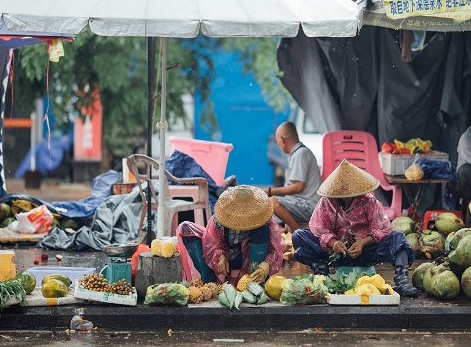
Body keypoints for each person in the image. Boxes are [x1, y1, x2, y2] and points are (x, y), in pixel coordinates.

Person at [291, 160, 419, 297]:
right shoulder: (326, 202)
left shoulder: (369, 201)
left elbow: (382, 228)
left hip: (365, 252)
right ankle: (322, 275)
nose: (346, 197)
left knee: (398, 237)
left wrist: (362, 243)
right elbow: (318, 228)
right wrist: (332, 242)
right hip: (334, 254)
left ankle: (402, 281)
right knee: (299, 235)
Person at [177, 185, 285, 286]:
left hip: (251, 258)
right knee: (185, 227)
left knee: (262, 230)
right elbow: (212, 242)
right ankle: (209, 279)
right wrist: (221, 256)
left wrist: (266, 265)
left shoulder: (262, 218)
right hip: (230, 258)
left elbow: (277, 247)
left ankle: (255, 279)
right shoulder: (221, 218)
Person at [265, 121, 321, 232]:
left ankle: (297, 233)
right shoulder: (297, 154)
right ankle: (283, 231)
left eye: (277, 141)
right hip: (300, 203)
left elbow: (298, 187)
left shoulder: (302, 153)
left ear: (282, 139)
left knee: (272, 202)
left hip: (309, 206)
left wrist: (270, 191)